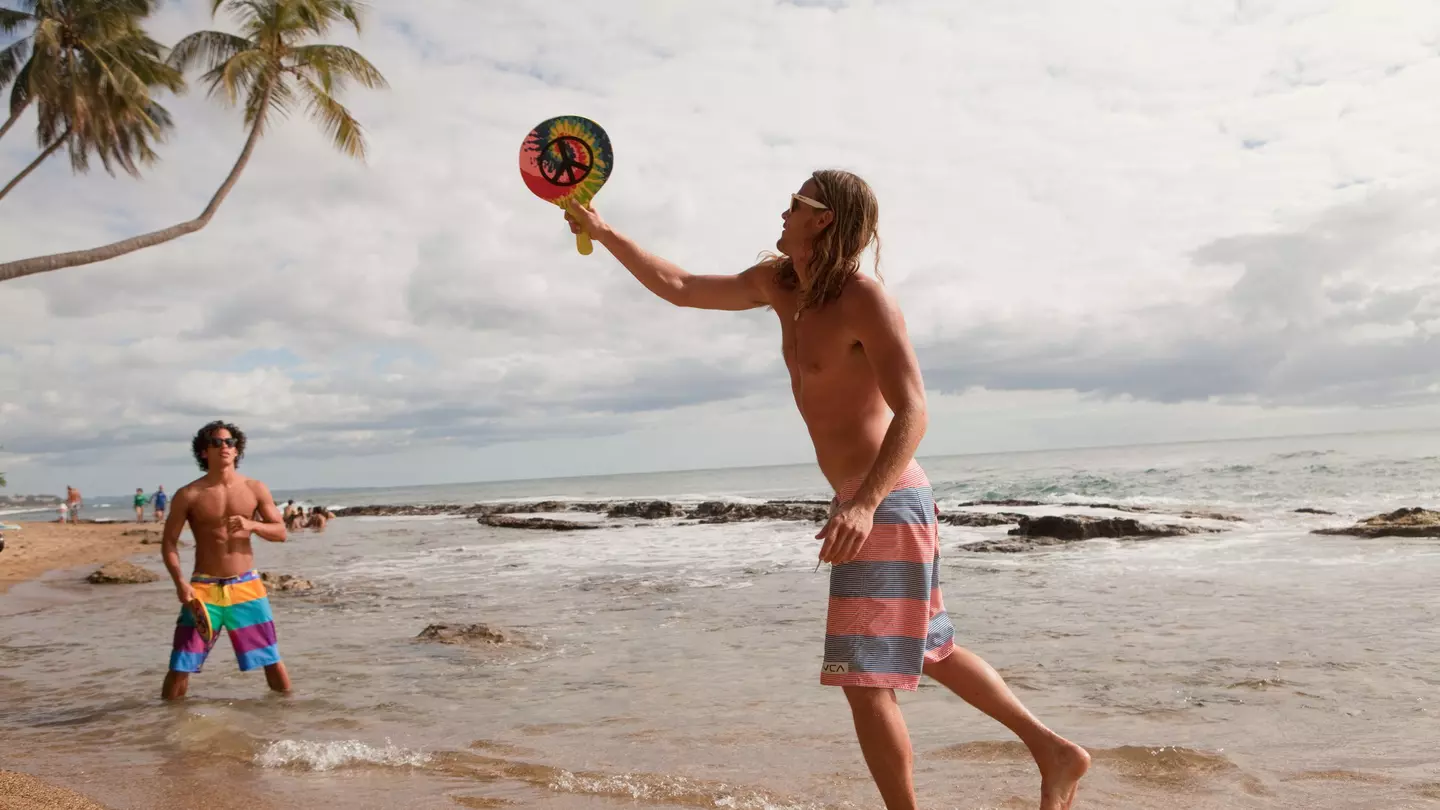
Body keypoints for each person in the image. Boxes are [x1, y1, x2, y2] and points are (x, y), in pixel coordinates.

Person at [564, 170, 1090, 810]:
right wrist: (604, 229)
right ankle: (1054, 751)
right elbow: (679, 287)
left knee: (864, 682)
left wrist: (865, 504)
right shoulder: (781, 285)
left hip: (885, 500)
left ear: (825, 220)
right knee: (934, 649)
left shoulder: (864, 298)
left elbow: (914, 410)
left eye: (796, 204)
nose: (782, 212)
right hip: (872, 501)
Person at [159, 421, 290, 700]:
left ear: (237, 448)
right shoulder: (189, 494)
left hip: (246, 586)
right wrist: (180, 583)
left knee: (270, 659)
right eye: (217, 443)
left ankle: (287, 720)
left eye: (230, 442)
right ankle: (166, 729)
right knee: (181, 663)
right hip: (203, 589)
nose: (225, 447)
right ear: (204, 452)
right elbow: (169, 542)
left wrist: (251, 525)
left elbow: (280, 532)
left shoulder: (255, 488)